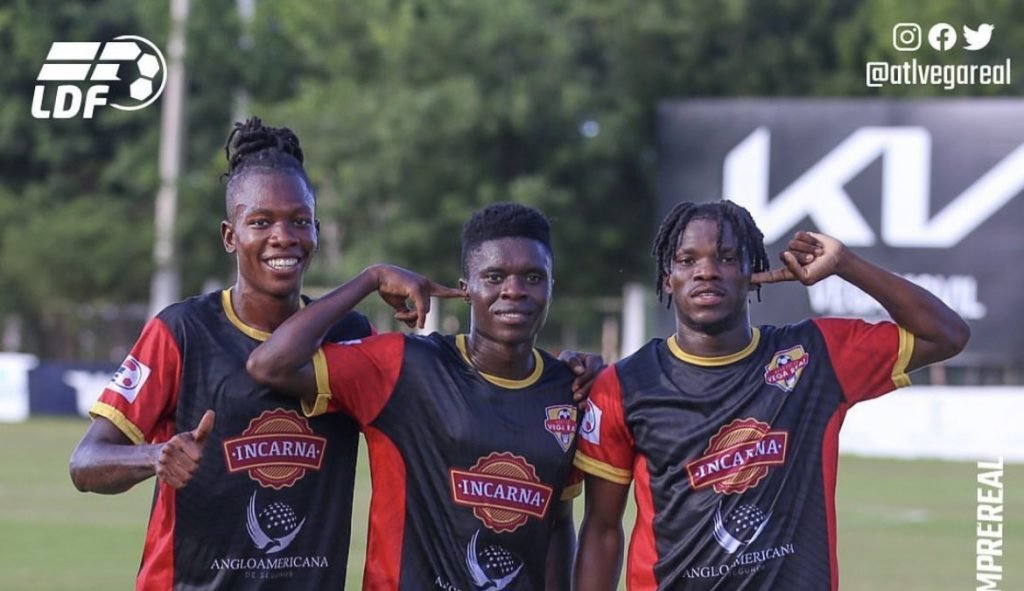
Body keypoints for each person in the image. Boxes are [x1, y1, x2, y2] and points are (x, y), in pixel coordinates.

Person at [572, 200, 970, 591]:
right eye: (687, 260)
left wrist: (846, 264)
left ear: (754, 273)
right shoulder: (625, 385)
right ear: (667, 278)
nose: (706, 271)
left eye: (727, 258)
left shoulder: (816, 355)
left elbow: (946, 335)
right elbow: (602, 530)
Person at [69, 117, 376, 589]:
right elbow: (85, 463)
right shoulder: (182, 331)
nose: (283, 236)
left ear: (316, 230)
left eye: (299, 221)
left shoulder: (351, 334)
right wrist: (154, 456)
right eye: (261, 222)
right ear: (230, 235)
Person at [246, 202, 594, 590]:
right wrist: (372, 278)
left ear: (550, 287)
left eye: (532, 277)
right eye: (494, 277)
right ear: (466, 289)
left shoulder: (569, 391)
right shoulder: (405, 366)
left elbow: (558, 523)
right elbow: (270, 365)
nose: (513, 290)